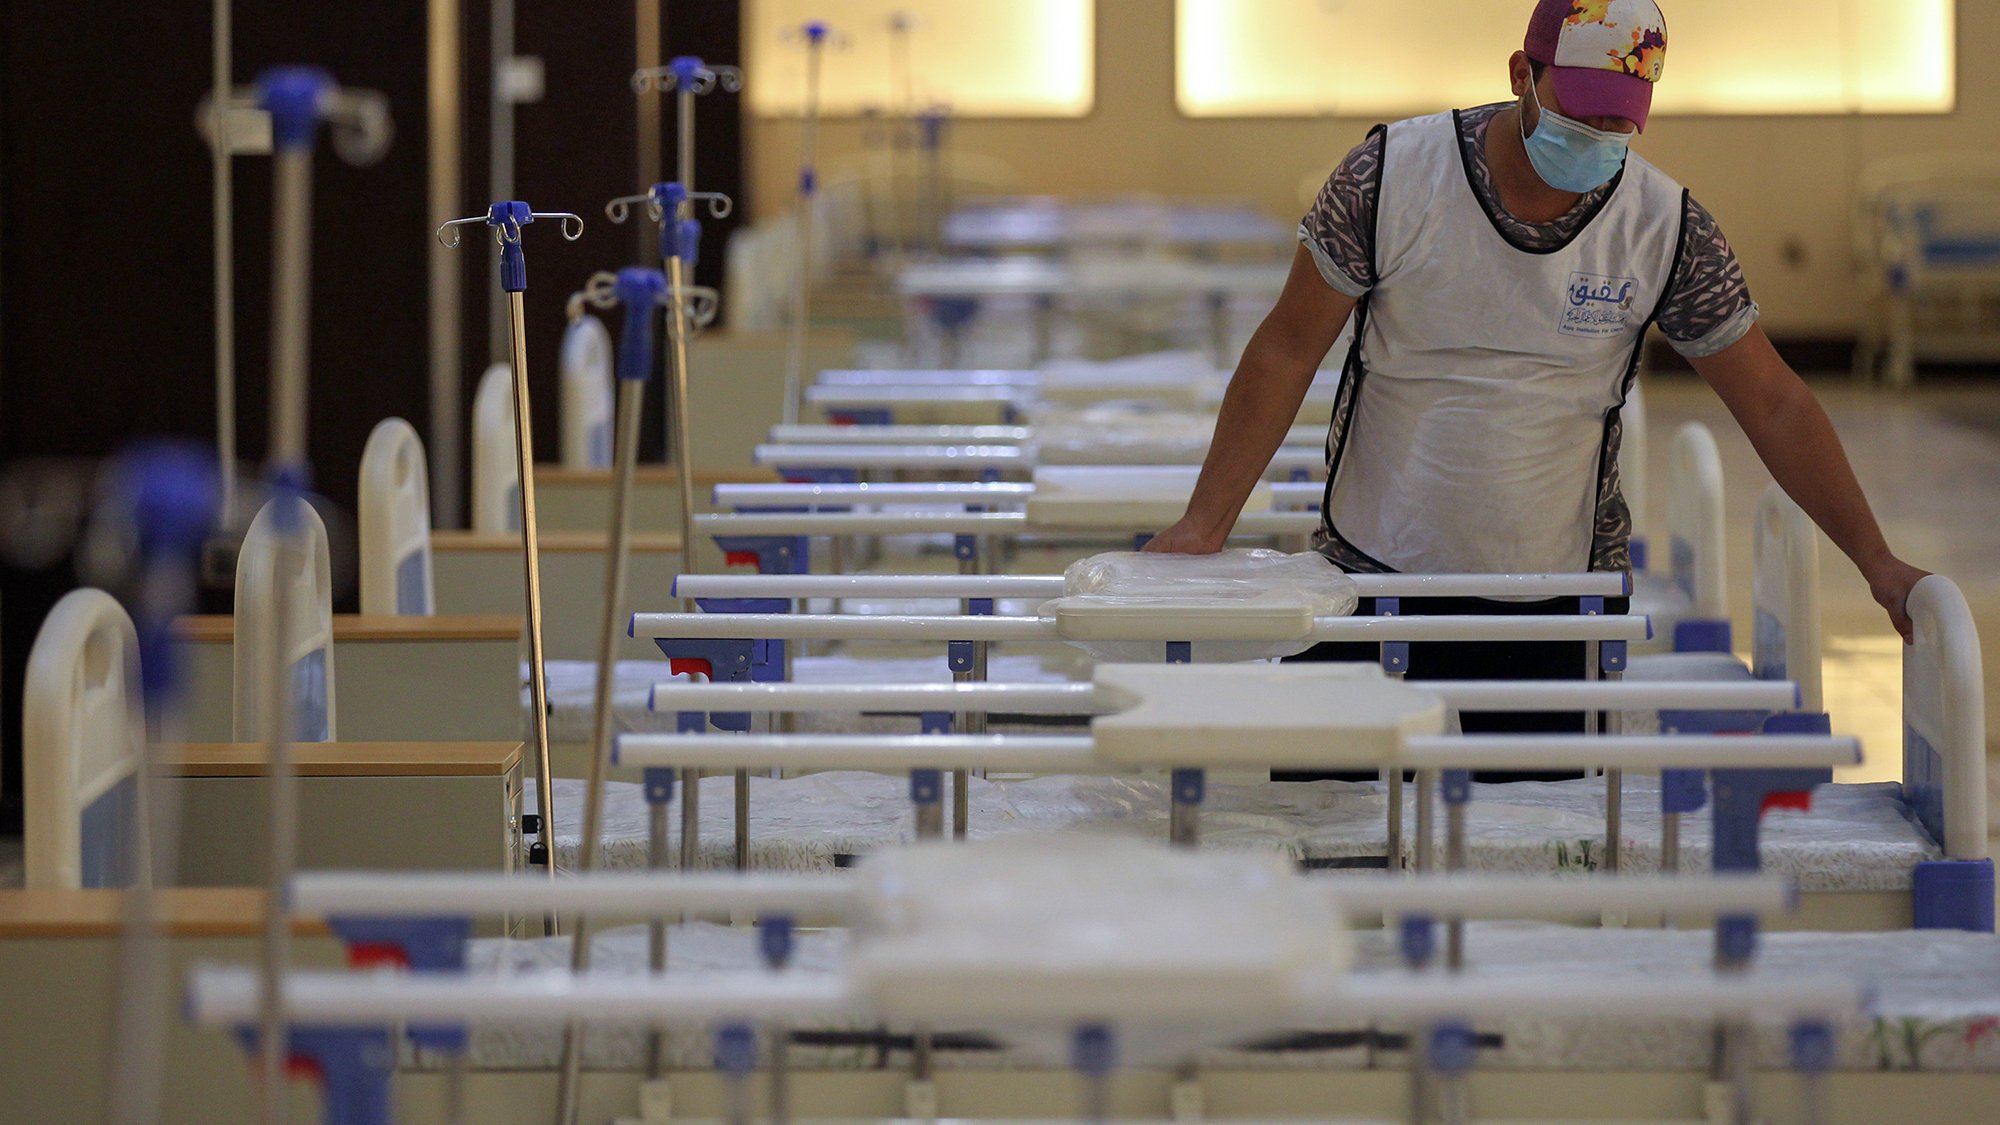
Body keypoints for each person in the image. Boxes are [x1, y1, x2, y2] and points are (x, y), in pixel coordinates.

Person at [1147, 0, 1928, 769]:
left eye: (1620, 122)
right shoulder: (1389, 178)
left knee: (1528, 862)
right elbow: (1286, 348)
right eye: (1582, 111)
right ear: (1524, 72)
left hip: (1554, 602)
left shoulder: (1666, 228)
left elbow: (1775, 401)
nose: (1597, 138)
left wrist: (1876, 559)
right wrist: (1204, 522)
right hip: (1371, 579)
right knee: (1337, 837)